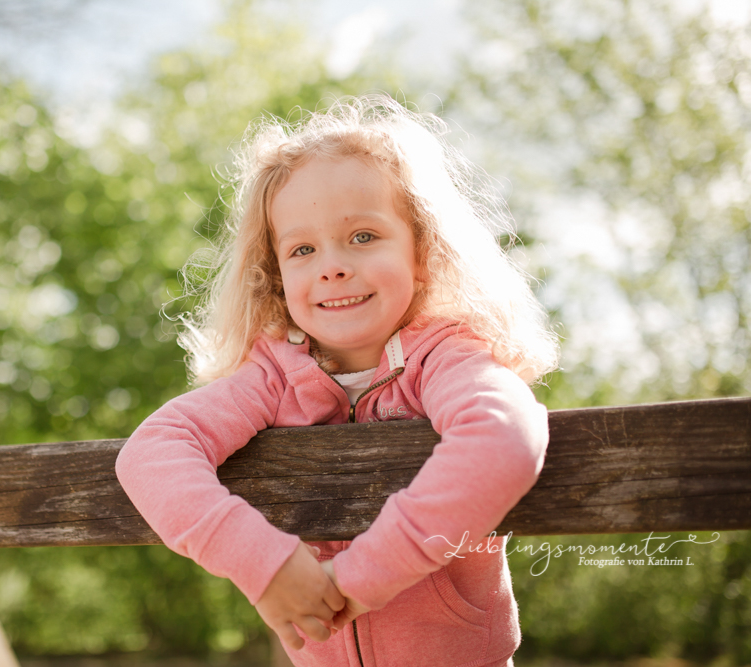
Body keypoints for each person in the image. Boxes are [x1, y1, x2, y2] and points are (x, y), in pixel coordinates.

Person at [116, 94, 559, 666]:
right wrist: (264, 563)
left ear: (422, 253)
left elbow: (504, 438)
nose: (331, 265)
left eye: (363, 236)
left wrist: (359, 578)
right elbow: (152, 452)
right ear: (276, 277)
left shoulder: (443, 358)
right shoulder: (274, 378)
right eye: (302, 248)